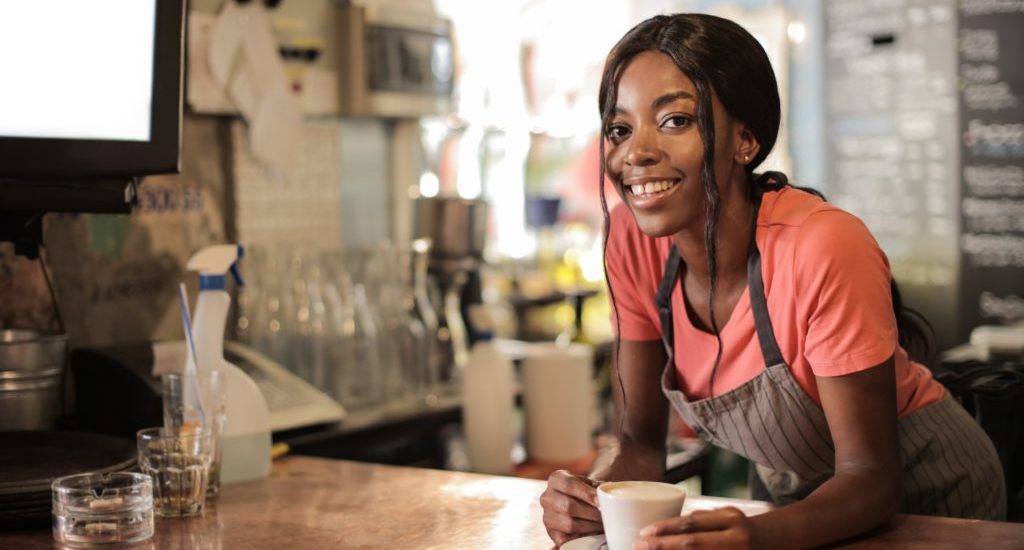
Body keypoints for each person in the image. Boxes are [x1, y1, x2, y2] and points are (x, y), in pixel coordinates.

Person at [539, 12, 1006, 549]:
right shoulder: (630, 240)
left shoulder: (821, 244)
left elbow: (872, 478)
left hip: (931, 498)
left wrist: (756, 537)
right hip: (793, 505)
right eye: (620, 129)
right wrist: (597, 496)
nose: (636, 152)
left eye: (675, 121)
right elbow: (639, 440)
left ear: (745, 140)